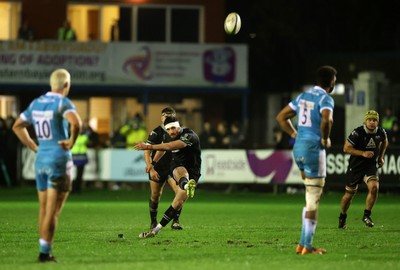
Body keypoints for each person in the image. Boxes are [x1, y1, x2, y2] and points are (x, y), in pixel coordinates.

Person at [12, 68, 82, 263]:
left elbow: (17, 126)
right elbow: (76, 123)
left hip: (41, 159)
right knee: (53, 211)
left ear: (52, 84)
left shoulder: (36, 103)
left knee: (43, 209)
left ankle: (44, 250)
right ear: (66, 85)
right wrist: (71, 142)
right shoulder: (62, 102)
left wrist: (33, 146)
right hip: (58, 159)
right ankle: (45, 254)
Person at [275, 65, 337, 255]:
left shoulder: (303, 97)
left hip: (298, 148)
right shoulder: (326, 99)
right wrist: (325, 138)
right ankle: (308, 246)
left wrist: (295, 133)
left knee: (310, 194)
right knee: (313, 199)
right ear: (331, 82)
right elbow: (327, 120)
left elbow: (281, 117)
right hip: (313, 149)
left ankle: (302, 244)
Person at [134, 116, 201, 238]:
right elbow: (162, 150)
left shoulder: (189, 135)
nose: (172, 131)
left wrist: (148, 146)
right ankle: (186, 185)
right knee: (181, 172)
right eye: (169, 129)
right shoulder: (167, 136)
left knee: (177, 202)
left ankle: (156, 230)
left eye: (174, 128)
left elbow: (170, 147)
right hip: (178, 165)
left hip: (194, 170)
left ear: (179, 126)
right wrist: (153, 163)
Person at [338, 110, 388, 229]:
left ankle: (367, 215)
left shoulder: (381, 132)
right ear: (366, 121)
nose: (372, 122)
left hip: (370, 166)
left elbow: (385, 142)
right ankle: (343, 216)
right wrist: (362, 153)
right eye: (370, 120)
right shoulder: (357, 132)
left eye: (374, 120)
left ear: (377, 122)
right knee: (349, 195)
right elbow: (346, 148)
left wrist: (381, 157)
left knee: (374, 187)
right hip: (355, 167)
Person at [144, 107, 183, 230]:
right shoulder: (156, 132)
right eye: (165, 116)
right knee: (155, 195)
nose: (167, 118)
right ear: (161, 118)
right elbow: (147, 151)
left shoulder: (178, 132)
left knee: (179, 192)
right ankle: (153, 221)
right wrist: (151, 167)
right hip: (159, 167)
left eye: (170, 116)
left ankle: (176, 221)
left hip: (173, 167)